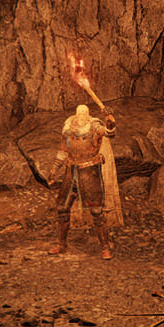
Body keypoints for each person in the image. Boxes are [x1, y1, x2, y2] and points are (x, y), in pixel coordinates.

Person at [52, 103, 117, 258]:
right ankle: (61, 244)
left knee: (96, 210)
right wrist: (54, 169)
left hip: (89, 172)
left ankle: (105, 247)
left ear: (87, 114)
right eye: (79, 112)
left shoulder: (94, 126)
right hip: (71, 171)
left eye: (84, 112)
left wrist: (110, 121)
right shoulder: (69, 128)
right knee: (62, 207)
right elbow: (63, 150)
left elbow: (108, 132)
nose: (81, 115)